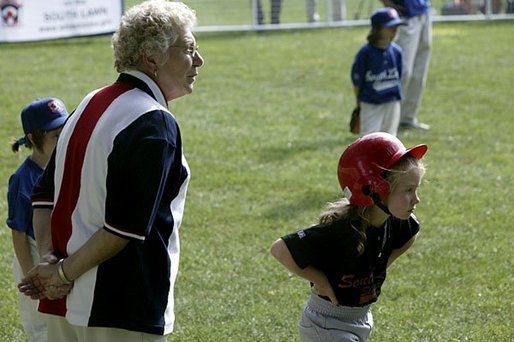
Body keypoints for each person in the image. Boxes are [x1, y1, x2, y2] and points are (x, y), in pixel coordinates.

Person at [18, 1, 204, 341]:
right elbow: (125, 228)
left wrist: (51, 262)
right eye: (189, 49)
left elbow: (43, 196)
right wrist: (58, 273)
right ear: (152, 58)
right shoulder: (153, 120)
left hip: (66, 305)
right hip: (121, 308)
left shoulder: (91, 101)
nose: (199, 60)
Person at [271, 132, 428, 341]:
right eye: (408, 190)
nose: (416, 199)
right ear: (376, 189)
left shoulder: (398, 223)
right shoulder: (340, 230)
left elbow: (411, 234)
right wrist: (320, 281)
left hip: (361, 319)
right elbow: (280, 249)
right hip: (326, 323)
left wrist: (381, 264)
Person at [6, 97, 69, 342]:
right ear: (33, 138)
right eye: (55, 135)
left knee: (63, 321)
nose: (62, 139)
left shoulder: (64, 165)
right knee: (42, 325)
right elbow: (19, 233)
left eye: (66, 132)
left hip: (56, 254)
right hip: (32, 256)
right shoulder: (23, 179)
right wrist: (30, 274)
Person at [351, 8, 406, 136]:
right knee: (369, 138)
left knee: (391, 139)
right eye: (390, 27)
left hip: (392, 101)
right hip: (371, 102)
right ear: (377, 29)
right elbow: (357, 82)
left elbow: (399, 76)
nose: (395, 30)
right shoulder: (365, 53)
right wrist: (359, 104)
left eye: (397, 26)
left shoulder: (397, 51)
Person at [382, 0, 432, 130]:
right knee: (403, 71)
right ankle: (388, 120)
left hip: (424, 12)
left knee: (418, 73)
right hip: (405, 16)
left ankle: (407, 117)